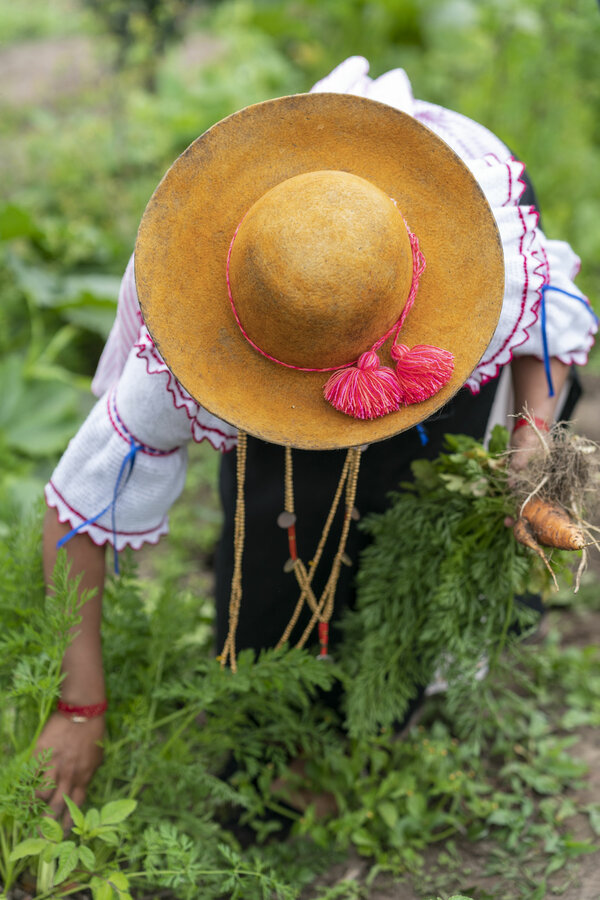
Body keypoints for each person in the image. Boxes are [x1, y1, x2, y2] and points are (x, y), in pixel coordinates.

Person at [37, 56, 597, 822]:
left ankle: (391, 695)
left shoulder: (478, 258)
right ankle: (289, 702)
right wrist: (79, 708)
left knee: (420, 500)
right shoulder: (184, 349)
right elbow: (74, 515)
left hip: (406, 287)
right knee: (280, 523)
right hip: (293, 299)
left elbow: (548, 320)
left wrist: (529, 452)